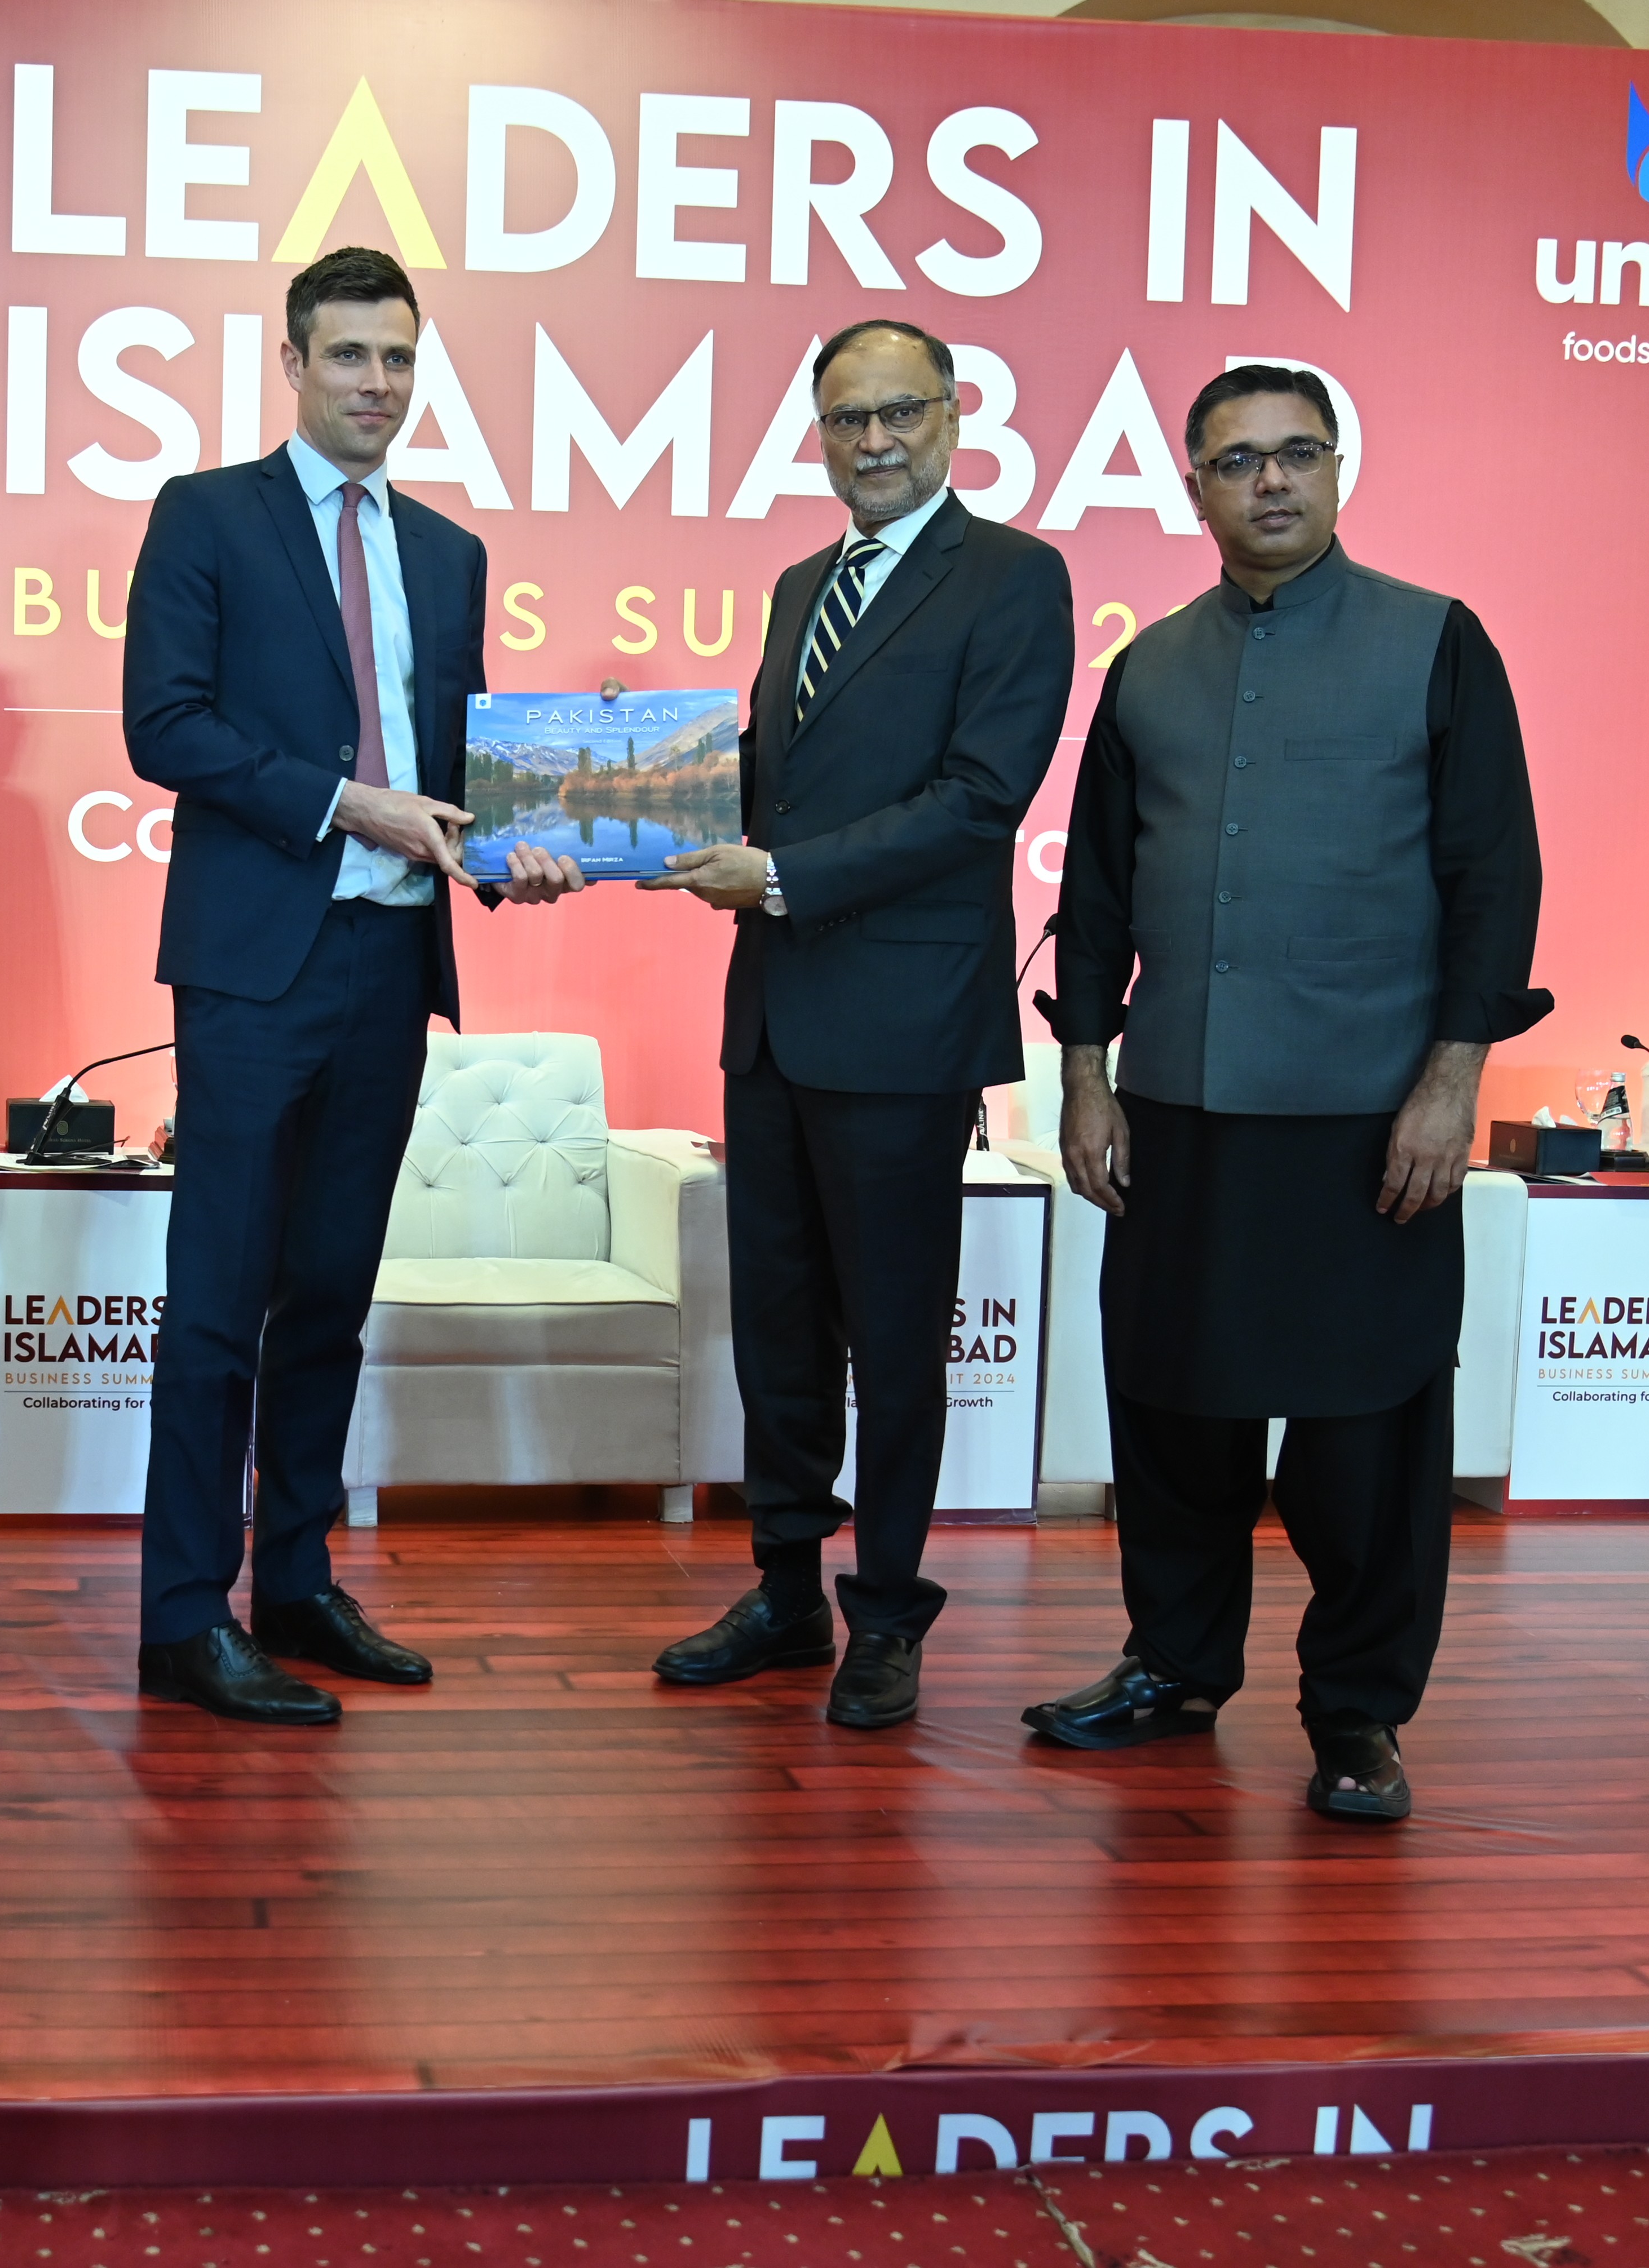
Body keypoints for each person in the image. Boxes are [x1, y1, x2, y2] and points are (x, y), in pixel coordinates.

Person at [1026, 365, 1549, 1823]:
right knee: (1175, 1409)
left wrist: (1453, 1082)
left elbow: (1493, 882)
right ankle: (1174, 1666)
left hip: (1368, 1117)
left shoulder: (1437, 643)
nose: (1271, 482)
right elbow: (1100, 898)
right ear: (1192, 487)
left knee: (1365, 1438)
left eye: (1297, 454)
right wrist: (1086, 1076)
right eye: (1237, 460)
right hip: (1181, 1104)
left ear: (1338, 471)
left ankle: (1359, 1716)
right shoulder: (1150, 669)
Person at [123, 246, 585, 1725]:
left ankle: (299, 1582)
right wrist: (346, 802)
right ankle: (184, 1617)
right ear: (293, 361)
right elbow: (163, 725)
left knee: (329, 1296)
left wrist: (516, 848)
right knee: (217, 1304)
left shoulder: (447, 552)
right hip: (258, 971)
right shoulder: (208, 516)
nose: (377, 384)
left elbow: (455, 763)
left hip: (395, 965)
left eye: (397, 359)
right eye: (348, 358)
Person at [638, 321, 1075, 1730]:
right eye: (845, 420)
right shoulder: (796, 585)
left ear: (952, 416)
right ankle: (782, 1592)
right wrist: (609, 806)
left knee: (894, 1342)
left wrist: (781, 876)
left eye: (899, 413)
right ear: (817, 433)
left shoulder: (1015, 576)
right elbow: (766, 773)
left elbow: (978, 796)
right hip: (773, 1017)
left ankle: (885, 1610)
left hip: (903, 1024)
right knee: (776, 1328)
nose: (873, 441)